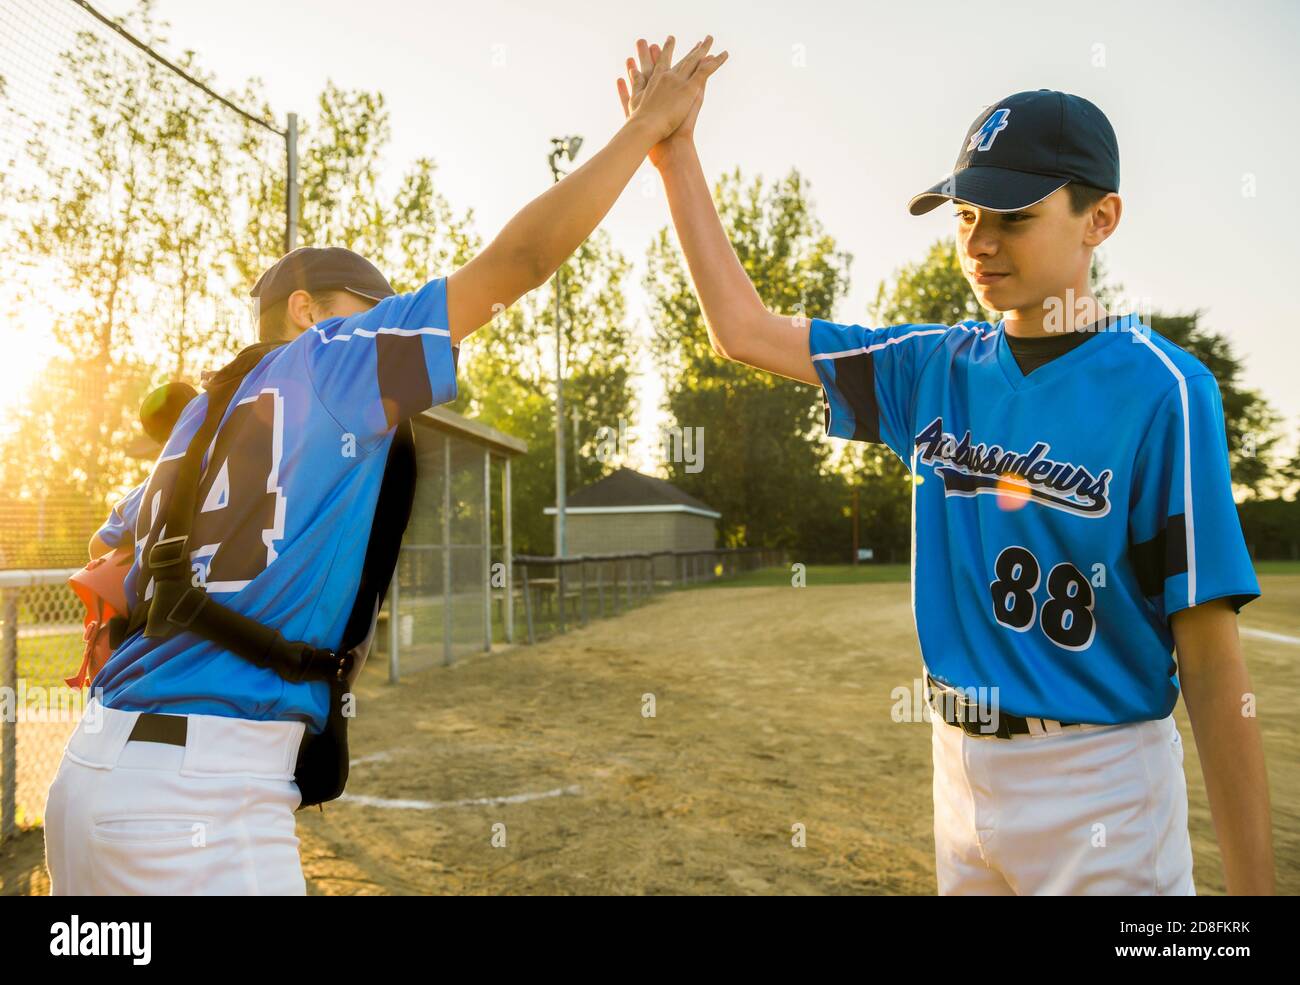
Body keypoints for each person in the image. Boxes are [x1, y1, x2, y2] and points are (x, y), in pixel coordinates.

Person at [44, 34, 727, 896]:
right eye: (364, 310)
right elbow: (516, 266)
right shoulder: (331, 361)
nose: (379, 325)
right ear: (306, 311)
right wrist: (645, 131)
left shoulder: (199, 416)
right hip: (201, 804)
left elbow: (107, 572)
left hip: (91, 777)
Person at [620, 48, 1274, 894]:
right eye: (966, 214)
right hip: (957, 770)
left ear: (1100, 217)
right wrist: (673, 156)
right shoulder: (929, 366)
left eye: (1013, 215)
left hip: (1100, 785)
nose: (980, 242)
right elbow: (741, 328)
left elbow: (1217, 677)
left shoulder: (1164, 390)